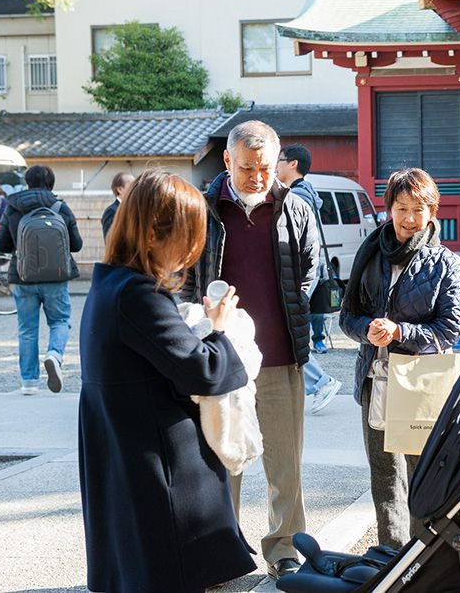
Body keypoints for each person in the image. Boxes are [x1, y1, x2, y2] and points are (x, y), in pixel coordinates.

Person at [78, 169, 255, 593]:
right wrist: (220, 328)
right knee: (168, 573)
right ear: (159, 233)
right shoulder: (138, 295)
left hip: (126, 450)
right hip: (157, 463)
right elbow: (204, 371)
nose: (192, 251)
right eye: (189, 237)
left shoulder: (109, 285)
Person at [182, 120, 318, 580]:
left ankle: (283, 547)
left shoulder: (294, 207)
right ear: (227, 162)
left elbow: (309, 272)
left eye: (264, 168)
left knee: (286, 463)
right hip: (222, 358)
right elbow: (184, 277)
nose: (258, 177)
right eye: (247, 169)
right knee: (223, 459)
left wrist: (289, 310)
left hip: (280, 353)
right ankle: (223, 547)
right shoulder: (202, 209)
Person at [340, 167, 460, 549]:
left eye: (418, 209)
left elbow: (451, 329)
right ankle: (391, 557)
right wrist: (367, 330)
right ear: (388, 208)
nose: (409, 219)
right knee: (384, 476)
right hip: (374, 378)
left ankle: (425, 558)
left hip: (419, 383)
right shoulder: (370, 253)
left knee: (422, 475)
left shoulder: (445, 263)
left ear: (432, 211)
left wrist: (400, 332)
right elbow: (347, 317)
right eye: (401, 208)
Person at [0, 165, 82, 395]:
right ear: (50, 183)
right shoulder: (60, 207)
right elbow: (77, 245)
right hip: (56, 277)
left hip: (23, 277)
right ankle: (54, 354)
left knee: (27, 330)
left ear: (27, 182)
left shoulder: (13, 208)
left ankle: (29, 383)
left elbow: (1, 245)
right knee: (60, 321)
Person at [276, 143, 342, 414]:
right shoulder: (305, 193)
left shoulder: (297, 197)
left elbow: (293, 243)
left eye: (279, 159)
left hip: (298, 275)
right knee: (288, 332)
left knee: (287, 333)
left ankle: (320, 382)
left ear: (293, 164)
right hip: (305, 274)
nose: (275, 165)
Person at [101, 172, 135, 240]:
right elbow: (109, 241)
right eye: (132, 186)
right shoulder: (111, 211)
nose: (135, 189)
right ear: (119, 189)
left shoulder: (134, 209)